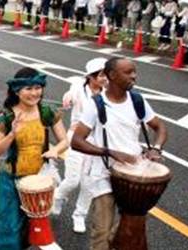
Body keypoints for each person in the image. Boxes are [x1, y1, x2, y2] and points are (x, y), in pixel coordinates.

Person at [70, 57, 168, 250]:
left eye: (134, 71)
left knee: (132, 225)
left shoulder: (138, 100)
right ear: (112, 75)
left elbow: (160, 127)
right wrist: (109, 152)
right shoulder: (96, 104)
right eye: (128, 72)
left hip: (133, 172)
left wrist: (155, 148)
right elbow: (76, 141)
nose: (134, 76)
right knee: (102, 230)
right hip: (103, 174)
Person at [0, 68, 69, 249]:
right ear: (17, 91)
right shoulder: (6, 116)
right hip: (11, 180)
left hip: (38, 180)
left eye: (38, 87)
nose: (35, 93)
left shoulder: (47, 111)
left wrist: (56, 149)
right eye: (29, 89)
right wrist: (11, 135)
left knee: (29, 229)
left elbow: (64, 140)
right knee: (8, 228)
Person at [52, 58, 108, 234]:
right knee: (73, 180)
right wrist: (67, 99)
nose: (105, 78)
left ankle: (79, 215)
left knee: (89, 183)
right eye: (101, 75)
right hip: (75, 137)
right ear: (91, 77)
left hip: (97, 141)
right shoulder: (79, 87)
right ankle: (58, 197)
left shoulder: (109, 91)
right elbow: (69, 94)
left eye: (106, 74)